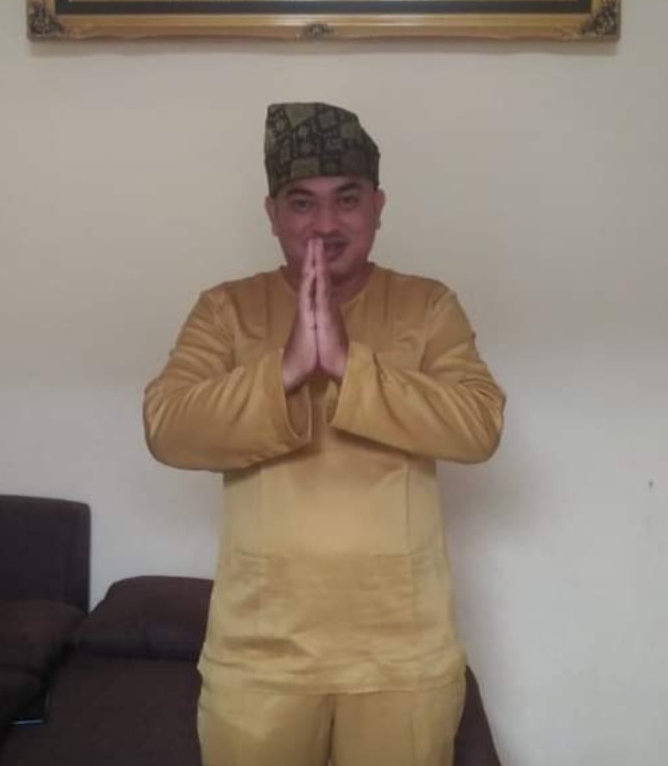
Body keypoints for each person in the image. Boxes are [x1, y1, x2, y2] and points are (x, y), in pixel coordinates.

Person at [143, 101, 505, 766]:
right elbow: (168, 427)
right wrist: (285, 369)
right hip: (260, 653)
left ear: (378, 205)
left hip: (403, 651)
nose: (327, 223)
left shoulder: (428, 305)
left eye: (347, 199)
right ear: (272, 213)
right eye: (302, 203)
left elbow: (478, 425)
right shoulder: (226, 309)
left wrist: (346, 365)